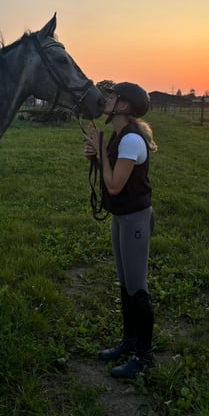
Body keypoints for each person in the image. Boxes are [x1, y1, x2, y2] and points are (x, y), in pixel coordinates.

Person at [84, 82, 158, 378]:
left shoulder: (130, 140)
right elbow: (109, 174)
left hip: (135, 220)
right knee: (126, 284)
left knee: (137, 288)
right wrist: (97, 154)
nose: (107, 98)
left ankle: (144, 355)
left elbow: (114, 185)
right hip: (122, 218)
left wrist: (101, 152)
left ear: (124, 106)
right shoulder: (118, 136)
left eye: (113, 95)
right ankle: (128, 342)